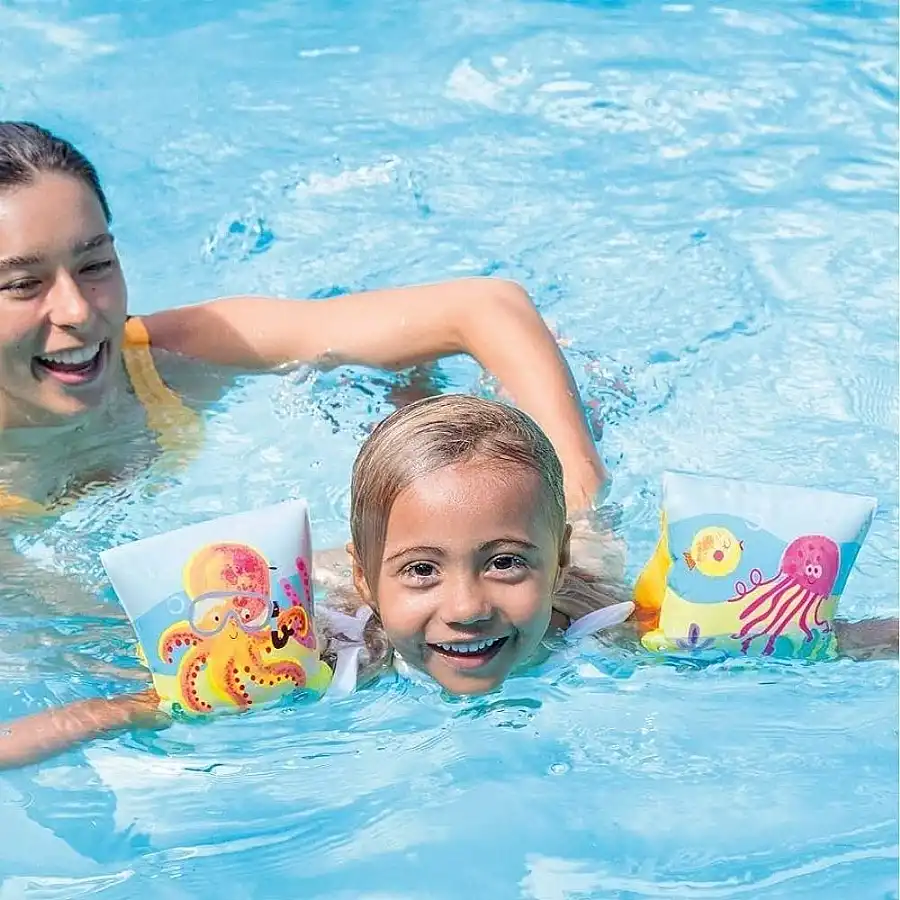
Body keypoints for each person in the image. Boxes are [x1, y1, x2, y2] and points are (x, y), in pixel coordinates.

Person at [0, 396, 895, 769]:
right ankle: (410, 400)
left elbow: (850, 642)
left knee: (586, 509)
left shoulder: (617, 633)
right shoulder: (329, 657)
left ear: (550, 565)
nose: (466, 608)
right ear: (369, 578)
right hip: (343, 583)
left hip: (583, 558)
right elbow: (116, 711)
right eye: (422, 572)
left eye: (506, 564)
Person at [0, 121, 604, 516]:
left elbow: (486, 306)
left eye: (96, 264)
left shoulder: (171, 355)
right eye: (25, 284)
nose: (78, 310)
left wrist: (576, 505)